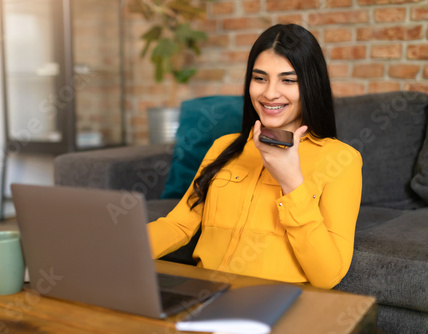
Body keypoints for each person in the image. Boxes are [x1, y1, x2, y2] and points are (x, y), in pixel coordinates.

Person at [146, 24, 363, 290]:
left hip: (272, 305)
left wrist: (292, 183)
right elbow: (179, 224)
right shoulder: (223, 148)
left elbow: (327, 276)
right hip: (205, 296)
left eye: (288, 80)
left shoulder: (341, 160)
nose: (270, 93)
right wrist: (116, 248)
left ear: (310, 85)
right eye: (260, 78)